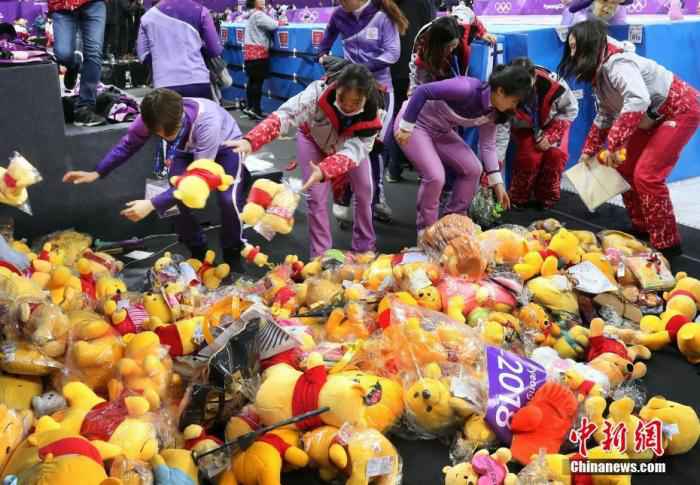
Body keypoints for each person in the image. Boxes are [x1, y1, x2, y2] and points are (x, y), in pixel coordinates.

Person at [62, 89, 248, 269]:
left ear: (180, 116)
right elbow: (128, 145)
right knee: (173, 205)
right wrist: (97, 172)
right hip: (186, 151)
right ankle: (197, 250)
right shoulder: (148, 118)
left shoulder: (207, 123)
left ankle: (232, 252)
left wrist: (151, 204)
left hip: (226, 147)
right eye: (160, 135)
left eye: (172, 132)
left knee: (228, 200)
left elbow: (197, 180)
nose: (166, 137)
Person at [558, 19, 700, 256]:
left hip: (679, 109)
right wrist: (589, 150)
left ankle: (667, 243)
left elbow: (638, 99)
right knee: (623, 168)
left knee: (647, 175)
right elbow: (605, 113)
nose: (572, 54)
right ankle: (642, 228)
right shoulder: (600, 70)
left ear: (590, 45)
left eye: (576, 47)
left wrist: (614, 144)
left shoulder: (618, 64)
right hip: (650, 116)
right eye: (570, 48)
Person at [226, 64, 384, 258]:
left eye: (356, 101)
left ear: (366, 98)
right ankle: (320, 255)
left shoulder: (375, 112)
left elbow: (356, 151)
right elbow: (286, 115)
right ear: (336, 87)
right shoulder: (317, 94)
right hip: (313, 140)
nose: (348, 105)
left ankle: (364, 246)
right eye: (343, 98)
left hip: (349, 147)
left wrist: (325, 170)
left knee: (365, 189)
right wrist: (251, 140)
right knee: (316, 196)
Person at [395, 64, 533, 234]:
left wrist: (498, 184)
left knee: (473, 168)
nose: (515, 107)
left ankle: (453, 224)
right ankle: (426, 232)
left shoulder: (494, 112)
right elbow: (422, 91)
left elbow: (488, 145)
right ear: (500, 91)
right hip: (414, 124)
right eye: (514, 101)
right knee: (436, 176)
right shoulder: (466, 88)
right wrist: (406, 126)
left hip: (441, 131)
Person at [319, 0, 409, 223]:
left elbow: (392, 53)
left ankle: (376, 199)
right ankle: (344, 195)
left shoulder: (382, 15)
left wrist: (360, 69)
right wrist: (323, 57)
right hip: (349, 91)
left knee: (375, 147)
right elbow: (324, 43)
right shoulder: (339, 15)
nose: (339, 2)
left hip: (379, 91)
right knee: (346, 144)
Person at [501, 57, 579, 210]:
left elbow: (571, 109)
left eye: (526, 87)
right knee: (529, 157)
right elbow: (500, 132)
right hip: (525, 127)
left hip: (553, 123)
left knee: (556, 156)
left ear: (534, 77)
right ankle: (518, 199)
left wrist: (551, 136)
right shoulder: (503, 88)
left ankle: (547, 200)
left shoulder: (555, 85)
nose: (523, 93)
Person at [384, 0, 436, 183]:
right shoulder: (425, 4)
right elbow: (431, 31)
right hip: (416, 68)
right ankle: (418, 168)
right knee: (415, 118)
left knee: (396, 115)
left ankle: (394, 168)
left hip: (392, 66)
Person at [137, 0, 223, 100]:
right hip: (197, 80)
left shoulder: (147, 17)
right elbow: (215, 50)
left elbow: (142, 55)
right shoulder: (201, 11)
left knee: (169, 116)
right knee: (200, 115)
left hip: (164, 82)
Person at [50, 0, 107, 127]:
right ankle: (74, 64)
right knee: (63, 54)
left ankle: (85, 108)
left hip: (94, 4)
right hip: (61, 5)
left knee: (94, 53)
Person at [243, 0, 278, 119]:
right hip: (258, 53)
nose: (263, 1)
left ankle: (250, 107)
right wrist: (280, 21)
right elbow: (273, 25)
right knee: (258, 82)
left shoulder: (251, 14)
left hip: (249, 53)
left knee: (252, 81)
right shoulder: (258, 15)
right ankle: (256, 110)